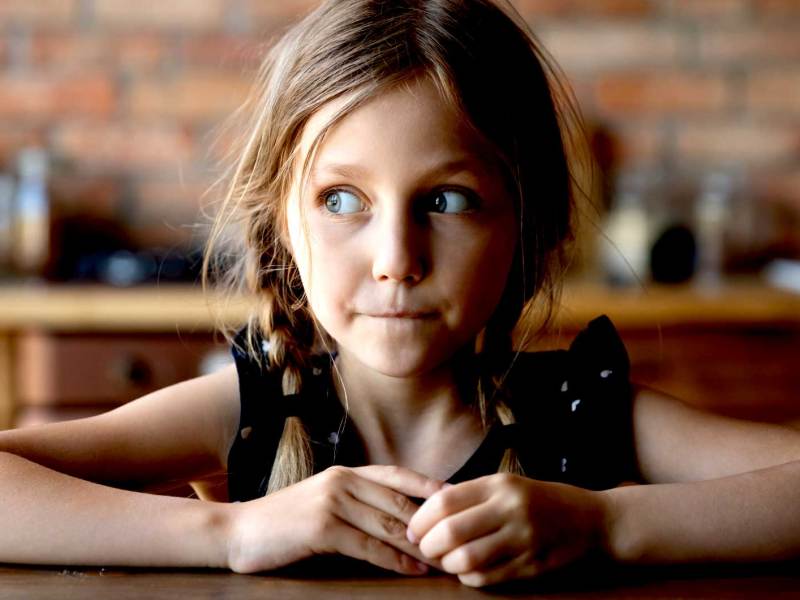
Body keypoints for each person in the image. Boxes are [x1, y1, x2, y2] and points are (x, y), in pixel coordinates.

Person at [1, 0, 799, 588]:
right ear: (282, 226)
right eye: (342, 200)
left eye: (446, 201)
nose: (396, 260)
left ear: (530, 226)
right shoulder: (251, 411)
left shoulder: (582, 411)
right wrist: (235, 531)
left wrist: (604, 524)